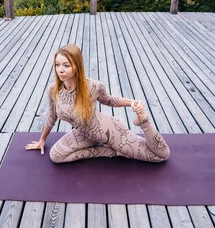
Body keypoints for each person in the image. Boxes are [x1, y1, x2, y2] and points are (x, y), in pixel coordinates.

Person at [25, 44, 170, 163]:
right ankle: (110, 152)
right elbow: (52, 116)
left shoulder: (93, 86)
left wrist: (132, 102)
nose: (60, 70)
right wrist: (42, 140)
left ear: (76, 66)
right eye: (57, 65)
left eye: (66, 65)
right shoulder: (53, 90)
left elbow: (110, 100)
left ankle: (143, 121)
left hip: (110, 132)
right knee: (56, 156)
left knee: (159, 156)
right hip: (85, 135)